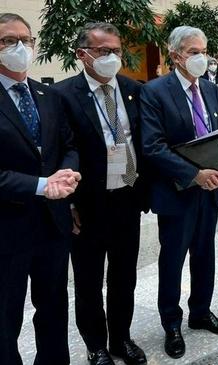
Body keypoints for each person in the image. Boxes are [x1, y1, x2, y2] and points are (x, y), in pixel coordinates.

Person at [53, 22, 148, 365]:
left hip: (127, 196)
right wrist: (69, 202)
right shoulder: (63, 96)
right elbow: (61, 150)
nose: (112, 57)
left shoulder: (133, 89)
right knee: (89, 280)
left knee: (125, 275)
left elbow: (143, 141)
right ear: (82, 55)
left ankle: (121, 338)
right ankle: (96, 345)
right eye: (104, 51)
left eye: (117, 51)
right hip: (88, 205)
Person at [140, 26, 218, 359]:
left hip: (209, 190)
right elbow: (152, 146)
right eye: (194, 52)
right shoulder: (155, 92)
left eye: (204, 51)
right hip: (176, 191)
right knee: (173, 259)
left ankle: (200, 311)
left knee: (205, 254)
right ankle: (171, 323)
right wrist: (194, 174)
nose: (201, 57)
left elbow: (214, 134)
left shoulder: (209, 88)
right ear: (176, 54)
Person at [0, 12, 81, 365]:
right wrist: (40, 185)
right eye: (7, 41)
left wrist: (68, 174)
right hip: (6, 228)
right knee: (5, 317)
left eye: (26, 40)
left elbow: (69, 145)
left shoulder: (47, 95)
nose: (20, 47)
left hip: (52, 224)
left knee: (53, 308)